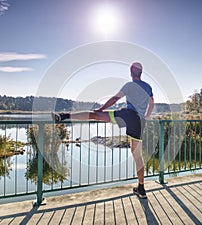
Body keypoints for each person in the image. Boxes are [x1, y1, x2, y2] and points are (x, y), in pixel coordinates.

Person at [52, 62, 154, 199]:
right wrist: (147, 116)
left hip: (127, 115)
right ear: (141, 73)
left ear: (131, 72)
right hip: (140, 121)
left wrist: (101, 109)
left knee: (94, 115)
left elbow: (114, 98)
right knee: (138, 156)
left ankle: (64, 116)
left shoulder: (129, 85)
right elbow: (152, 102)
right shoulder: (148, 86)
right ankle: (141, 189)